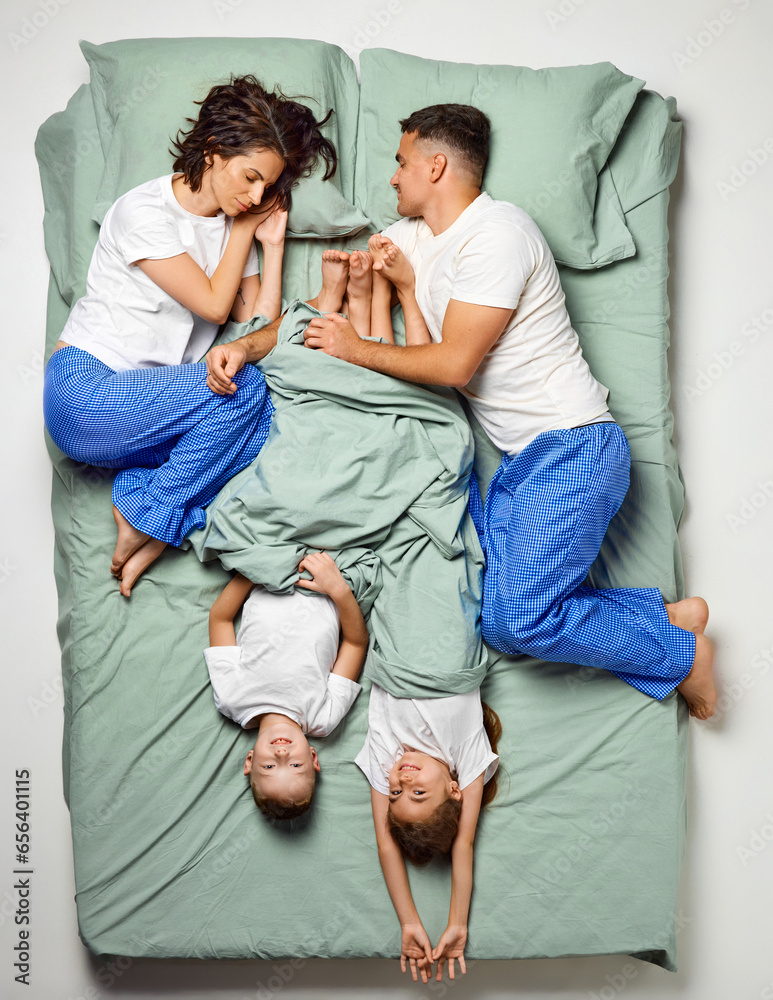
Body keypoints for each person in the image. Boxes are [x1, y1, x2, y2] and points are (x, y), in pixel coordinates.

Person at [295, 103, 716, 720]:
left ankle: (680, 654)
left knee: (514, 622)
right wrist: (392, 289)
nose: (392, 178)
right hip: (524, 465)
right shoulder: (411, 241)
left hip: (575, 447)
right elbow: (421, 358)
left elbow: (453, 366)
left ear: (436, 165)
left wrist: (354, 348)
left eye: (402, 161)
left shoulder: (500, 233)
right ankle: (665, 616)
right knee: (487, 604)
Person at [43, 75, 337, 596]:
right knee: (245, 392)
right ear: (212, 150)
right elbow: (212, 304)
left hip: (150, 414)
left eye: (267, 188)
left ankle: (147, 515)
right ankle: (151, 519)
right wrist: (247, 231)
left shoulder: (233, 229)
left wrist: (271, 248)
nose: (256, 196)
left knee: (265, 421)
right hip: (85, 392)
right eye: (249, 178)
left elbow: (252, 325)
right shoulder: (144, 211)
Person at [206, 551, 368, 820]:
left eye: (269, 766)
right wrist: (338, 589)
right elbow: (355, 643)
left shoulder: (231, 698)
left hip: (268, 567)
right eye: (294, 764)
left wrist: (257, 568)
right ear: (314, 759)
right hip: (331, 578)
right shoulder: (323, 719)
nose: (281, 752)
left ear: (249, 761)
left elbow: (220, 619)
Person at [355, 688, 500, 982]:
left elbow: (386, 844)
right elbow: (463, 843)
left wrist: (409, 923)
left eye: (395, 793)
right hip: (450, 662)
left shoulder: (387, 755)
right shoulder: (466, 753)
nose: (404, 780)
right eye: (418, 793)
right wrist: (458, 923)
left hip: (396, 656)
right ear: (454, 790)